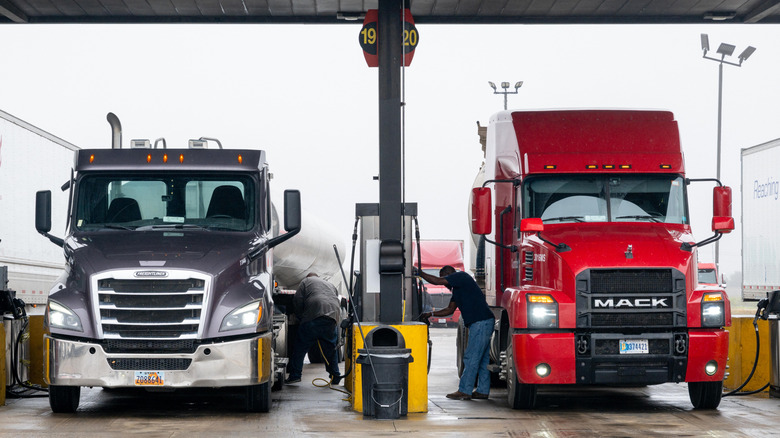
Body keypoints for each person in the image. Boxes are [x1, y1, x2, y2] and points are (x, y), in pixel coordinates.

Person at [417, 265, 494, 400]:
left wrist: (420, 273)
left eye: (445, 278)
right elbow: (449, 310)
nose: (445, 284)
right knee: (482, 359)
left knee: (471, 357)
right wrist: (430, 314)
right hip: (484, 321)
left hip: (480, 322)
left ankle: (465, 390)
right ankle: (482, 390)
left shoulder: (461, 276)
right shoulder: (458, 290)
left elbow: (437, 281)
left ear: (449, 274)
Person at [286, 273, 342, 385]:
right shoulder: (329, 284)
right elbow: (335, 298)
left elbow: (298, 300)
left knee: (300, 348)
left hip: (313, 316)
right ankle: (335, 376)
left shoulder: (305, 282)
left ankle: (295, 375)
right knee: (331, 349)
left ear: (308, 277)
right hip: (332, 316)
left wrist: (300, 317)